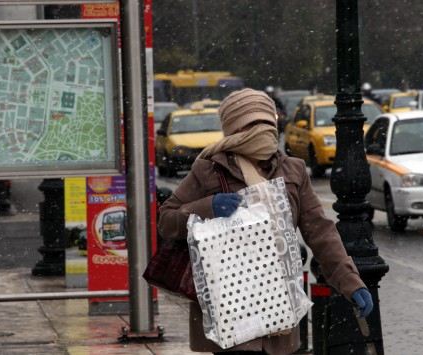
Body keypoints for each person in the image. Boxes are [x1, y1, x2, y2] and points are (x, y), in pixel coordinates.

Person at [158, 88, 373, 355]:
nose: (264, 130)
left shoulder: (292, 170)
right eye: (253, 124)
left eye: (268, 122)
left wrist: (350, 282)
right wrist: (206, 208)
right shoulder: (208, 169)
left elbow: (320, 232)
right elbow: (166, 221)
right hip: (229, 306)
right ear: (235, 129)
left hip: (277, 307)